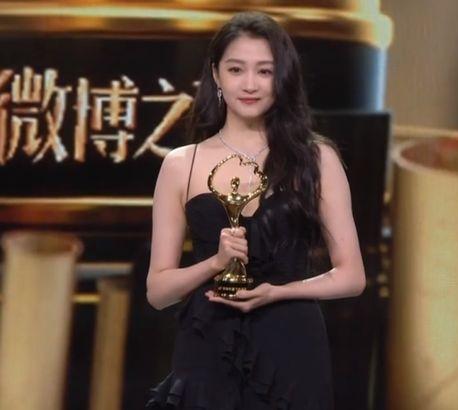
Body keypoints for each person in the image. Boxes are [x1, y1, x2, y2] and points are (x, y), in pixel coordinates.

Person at [145, 11, 366, 410]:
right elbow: (158, 292)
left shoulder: (317, 158)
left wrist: (278, 293)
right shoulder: (181, 164)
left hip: (291, 345)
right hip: (208, 345)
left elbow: (352, 276)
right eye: (236, 69)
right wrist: (215, 263)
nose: (250, 84)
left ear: (282, 77)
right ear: (216, 74)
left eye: (264, 71)